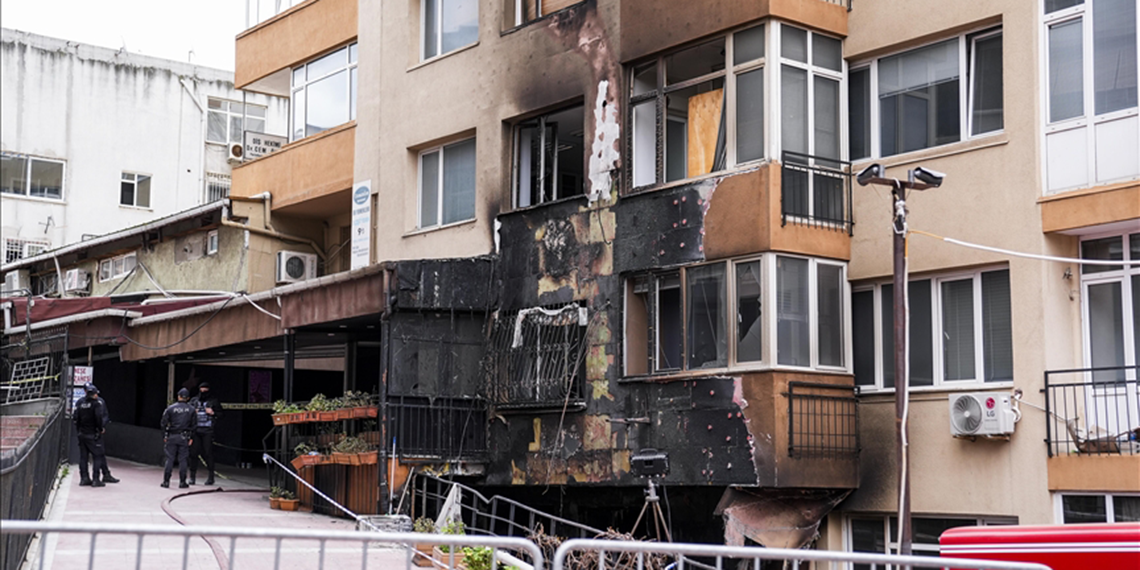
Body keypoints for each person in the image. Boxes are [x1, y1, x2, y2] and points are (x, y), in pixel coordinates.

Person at [160, 388, 197, 489]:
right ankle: (182, 482)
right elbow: (194, 425)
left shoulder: (170, 408)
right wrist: (191, 437)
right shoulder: (191, 409)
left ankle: (166, 481)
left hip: (172, 436)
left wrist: (165, 435)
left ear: (178, 396)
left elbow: (163, 423)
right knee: (183, 460)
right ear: (188, 398)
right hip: (184, 437)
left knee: (170, 458)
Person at [188, 381, 222, 485]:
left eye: (205, 390)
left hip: (208, 430)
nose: (203, 392)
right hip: (196, 430)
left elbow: (221, 414)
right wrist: (193, 412)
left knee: (208, 453)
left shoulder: (213, 401)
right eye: (201, 390)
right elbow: (187, 412)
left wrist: (213, 413)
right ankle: (192, 476)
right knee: (193, 453)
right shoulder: (194, 400)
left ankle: (211, 477)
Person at [74, 383, 108, 487]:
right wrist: (100, 429)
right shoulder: (96, 404)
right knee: (97, 456)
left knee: (83, 457)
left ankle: (84, 478)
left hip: (82, 434)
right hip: (93, 434)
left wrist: (79, 431)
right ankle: (96, 479)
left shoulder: (81, 403)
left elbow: (76, 418)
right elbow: (98, 418)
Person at [91, 387, 120, 484]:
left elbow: (104, 415)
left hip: (91, 431)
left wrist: (100, 427)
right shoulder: (96, 402)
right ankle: (96, 478)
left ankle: (104, 474)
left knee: (98, 454)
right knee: (98, 455)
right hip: (93, 431)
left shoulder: (98, 402)